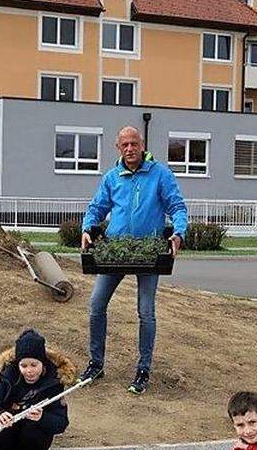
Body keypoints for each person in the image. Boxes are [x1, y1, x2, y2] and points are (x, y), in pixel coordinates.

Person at [78, 126, 187, 395]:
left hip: (149, 251)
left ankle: (143, 368)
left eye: (134, 144)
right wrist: (87, 227)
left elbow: (177, 206)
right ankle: (96, 363)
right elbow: (97, 207)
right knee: (96, 304)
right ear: (118, 147)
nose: (130, 149)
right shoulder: (113, 177)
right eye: (124, 145)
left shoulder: (160, 174)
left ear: (142, 145)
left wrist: (178, 233)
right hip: (116, 250)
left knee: (146, 311)